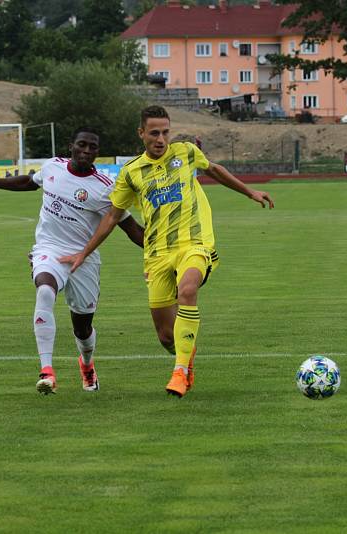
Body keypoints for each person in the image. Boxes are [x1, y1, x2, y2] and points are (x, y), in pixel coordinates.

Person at [59, 105, 274, 397]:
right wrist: (84, 253)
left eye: (165, 132)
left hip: (195, 243)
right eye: (154, 133)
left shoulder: (185, 152)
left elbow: (214, 170)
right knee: (165, 337)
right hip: (158, 254)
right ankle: (185, 354)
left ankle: (180, 371)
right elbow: (112, 216)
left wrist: (251, 192)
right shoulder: (131, 172)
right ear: (142, 133)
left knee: (187, 290)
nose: (161, 139)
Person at [0, 127, 145, 395]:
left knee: (82, 328)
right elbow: (28, 182)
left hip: (84, 258)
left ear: (97, 153)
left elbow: (132, 230)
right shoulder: (52, 167)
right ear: (71, 145)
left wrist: (164, 251)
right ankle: (47, 371)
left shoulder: (106, 189)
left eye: (92, 147)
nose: (86, 150)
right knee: (44, 290)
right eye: (82, 144)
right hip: (50, 249)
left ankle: (87, 364)